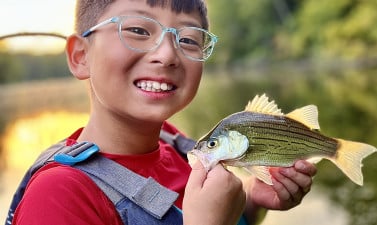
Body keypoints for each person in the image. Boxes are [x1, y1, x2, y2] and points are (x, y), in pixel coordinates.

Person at [11, 0, 317, 224]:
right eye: (137, 30)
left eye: (187, 39)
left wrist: (250, 202)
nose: (168, 54)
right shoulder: (58, 197)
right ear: (81, 56)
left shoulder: (174, 142)